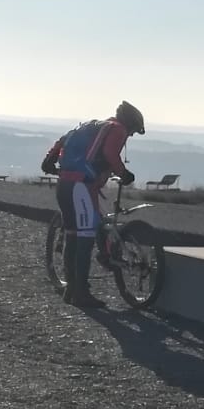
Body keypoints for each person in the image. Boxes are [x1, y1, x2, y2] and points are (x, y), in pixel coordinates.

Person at [41, 101, 146, 307]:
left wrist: (49, 160)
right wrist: (124, 173)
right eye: (133, 131)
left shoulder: (93, 126)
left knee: (72, 235)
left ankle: (71, 290)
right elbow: (109, 154)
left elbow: (63, 140)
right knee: (85, 237)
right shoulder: (118, 129)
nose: (131, 135)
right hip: (81, 186)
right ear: (129, 123)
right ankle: (81, 293)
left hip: (64, 185)